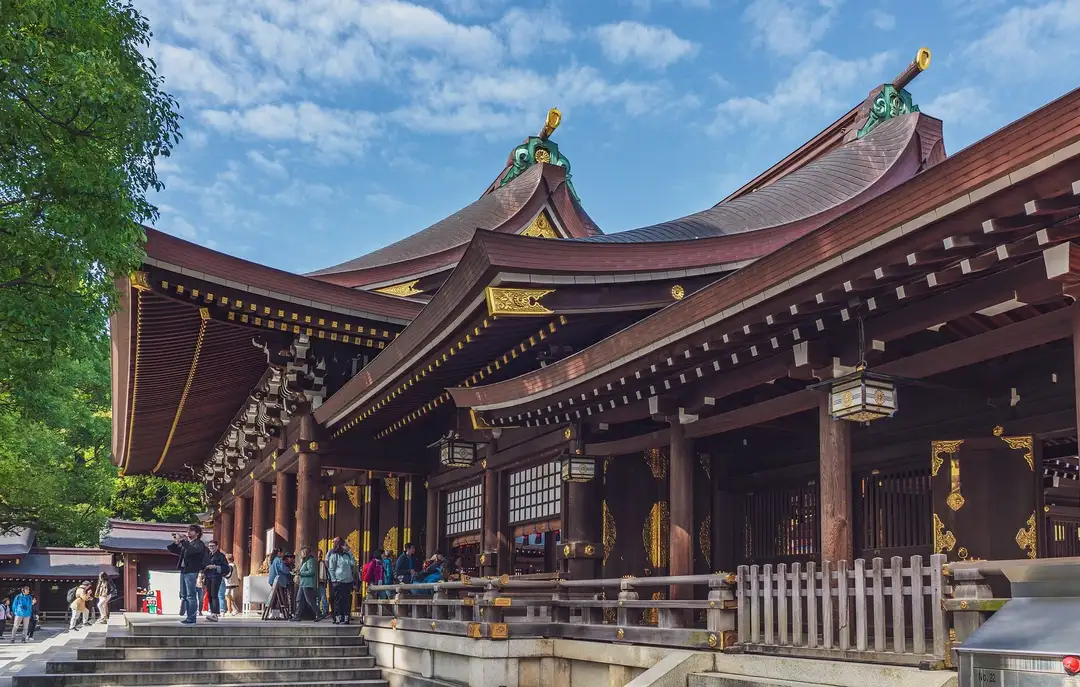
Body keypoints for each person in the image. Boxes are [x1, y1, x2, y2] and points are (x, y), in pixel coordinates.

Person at [167, 524, 208, 625]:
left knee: (191, 595)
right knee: (184, 595)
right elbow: (172, 549)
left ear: (197, 533)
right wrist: (177, 542)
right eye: (188, 530)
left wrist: (183, 541)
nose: (188, 532)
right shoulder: (187, 544)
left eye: (191, 530)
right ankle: (188, 616)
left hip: (192, 571)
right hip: (184, 570)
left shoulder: (199, 544)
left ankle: (191, 618)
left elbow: (192, 551)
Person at [326, 537, 356, 625]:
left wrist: (349, 552)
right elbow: (331, 568)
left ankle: (346, 618)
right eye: (344, 545)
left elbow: (353, 563)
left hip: (348, 581)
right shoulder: (334, 555)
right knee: (338, 601)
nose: (345, 547)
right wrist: (334, 580)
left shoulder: (347, 555)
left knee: (347, 600)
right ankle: (338, 618)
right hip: (338, 581)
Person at [203, 539, 230, 621]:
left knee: (214, 594)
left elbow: (226, 568)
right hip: (208, 576)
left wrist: (215, 567)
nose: (211, 547)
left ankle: (215, 614)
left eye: (212, 546)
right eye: (209, 546)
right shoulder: (208, 555)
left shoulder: (221, 556)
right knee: (209, 595)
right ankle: (212, 613)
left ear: (217, 546)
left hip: (216, 576)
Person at [292, 547, 319, 622]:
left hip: (307, 583)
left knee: (309, 600)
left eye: (302, 552)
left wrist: (300, 573)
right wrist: (297, 571)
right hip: (303, 583)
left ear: (305, 553)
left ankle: (318, 613)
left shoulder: (311, 560)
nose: (301, 554)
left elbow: (311, 572)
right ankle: (297, 616)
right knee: (299, 599)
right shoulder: (305, 561)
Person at [316, 549, 329, 619]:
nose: (319, 555)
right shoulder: (315, 562)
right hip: (316, 582)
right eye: (318, 553)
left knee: (323, 597)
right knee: (317, 598)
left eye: (320, 553)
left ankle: (325, 611)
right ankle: (317, 611)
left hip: (322, 582)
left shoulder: (323, 563)